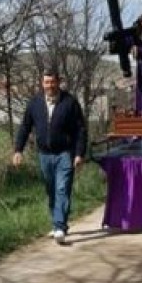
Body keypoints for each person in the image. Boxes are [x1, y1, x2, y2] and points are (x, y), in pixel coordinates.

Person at [12, 68, 87, 245]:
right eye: (46, 82)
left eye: (52, 82)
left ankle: (59, 226)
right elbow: (25, 127)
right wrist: (18, 150)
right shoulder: (35, 103)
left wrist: (79, 153)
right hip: (44, 154)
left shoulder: (70, 102)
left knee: (62, 189)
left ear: (58, 82)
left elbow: (80, 130)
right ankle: (58, 223)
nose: (50, 85)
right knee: (51, 191)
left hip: (65, 153)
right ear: (42, 83)